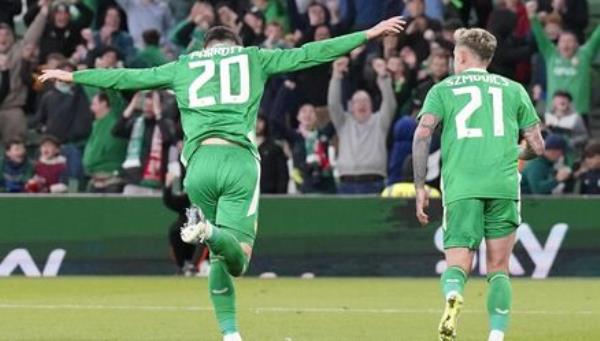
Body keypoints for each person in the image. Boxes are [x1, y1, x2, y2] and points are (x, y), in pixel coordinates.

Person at [39, 17, 406, 341]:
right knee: (237, 260)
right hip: (238, 161)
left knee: (217, 258)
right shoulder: (254, 57)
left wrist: (72, 74)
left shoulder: (184, 65)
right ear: (235, 44)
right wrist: (368, 33)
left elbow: (129, 77)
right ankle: (209, 233)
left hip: (198, 167)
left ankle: (230, 333)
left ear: (205, 47)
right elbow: (312, 53)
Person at [411, 28, 545, 341]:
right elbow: (537, 146)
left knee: (457, 263)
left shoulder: (442, 90)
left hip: (461, 186)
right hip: (503, 184)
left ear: (460, 56)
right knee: (499, 267)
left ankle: (454, 294)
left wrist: (419, 185)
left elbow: (421, 135)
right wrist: (515, 151)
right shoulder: (514, 89)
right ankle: (496, 336)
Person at [328, 57, 397, 194]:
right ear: (351, 107)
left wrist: (383, 77)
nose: (362, 104)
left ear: (372, 105)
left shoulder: (379, 121)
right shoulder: (344, 122)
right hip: (346, 183)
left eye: (366, 101)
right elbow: (333, 104)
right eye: (357, 101)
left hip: (374, 182)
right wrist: (336, 76)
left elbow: (390, 104)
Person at [527, 0, 600, 117]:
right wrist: (532, 16)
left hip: (578, 114)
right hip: (553, 114)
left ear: (577, 45)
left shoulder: (584, 55)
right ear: (557, 45)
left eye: (570, 41)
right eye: (563, 41)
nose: (566, 45)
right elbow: (539, 35)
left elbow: (597, 36)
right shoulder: (551, 54)